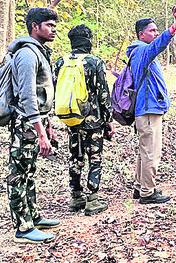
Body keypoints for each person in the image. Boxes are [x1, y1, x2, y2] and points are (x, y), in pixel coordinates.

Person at [7, 8, 60, 243]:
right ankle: (23, 228)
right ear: (34, 27)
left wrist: (48, 126)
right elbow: (27, 96)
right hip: (26, 124)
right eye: (48, 25)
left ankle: (33, 217)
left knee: (29, 172)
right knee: (19, 174)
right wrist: (40, 133)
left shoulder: (39, 52)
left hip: (36, 122)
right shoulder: (27, 54)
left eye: (54, 25)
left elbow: (41, 95)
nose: (54, 29)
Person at [54, 25, 114, 216]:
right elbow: (103, 93)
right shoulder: (94, 62)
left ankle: (76, 196)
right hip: (93, 119)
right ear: (88, 41)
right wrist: (108, 119)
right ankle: (93, 199)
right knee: (94, 157)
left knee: (75, 156)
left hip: (71, 118)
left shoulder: (60, 62)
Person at [130, 6, 176, 204]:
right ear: (141, 34)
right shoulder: (143, 50)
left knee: (145, 151)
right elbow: (158, 46)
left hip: (150, 108)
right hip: (148, 110)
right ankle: (148, 192)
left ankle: (140, 187)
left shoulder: (139, 52)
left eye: (156, 30)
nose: (155, 33)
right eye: (152, 30)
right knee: (152, 152)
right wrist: (174, 26)